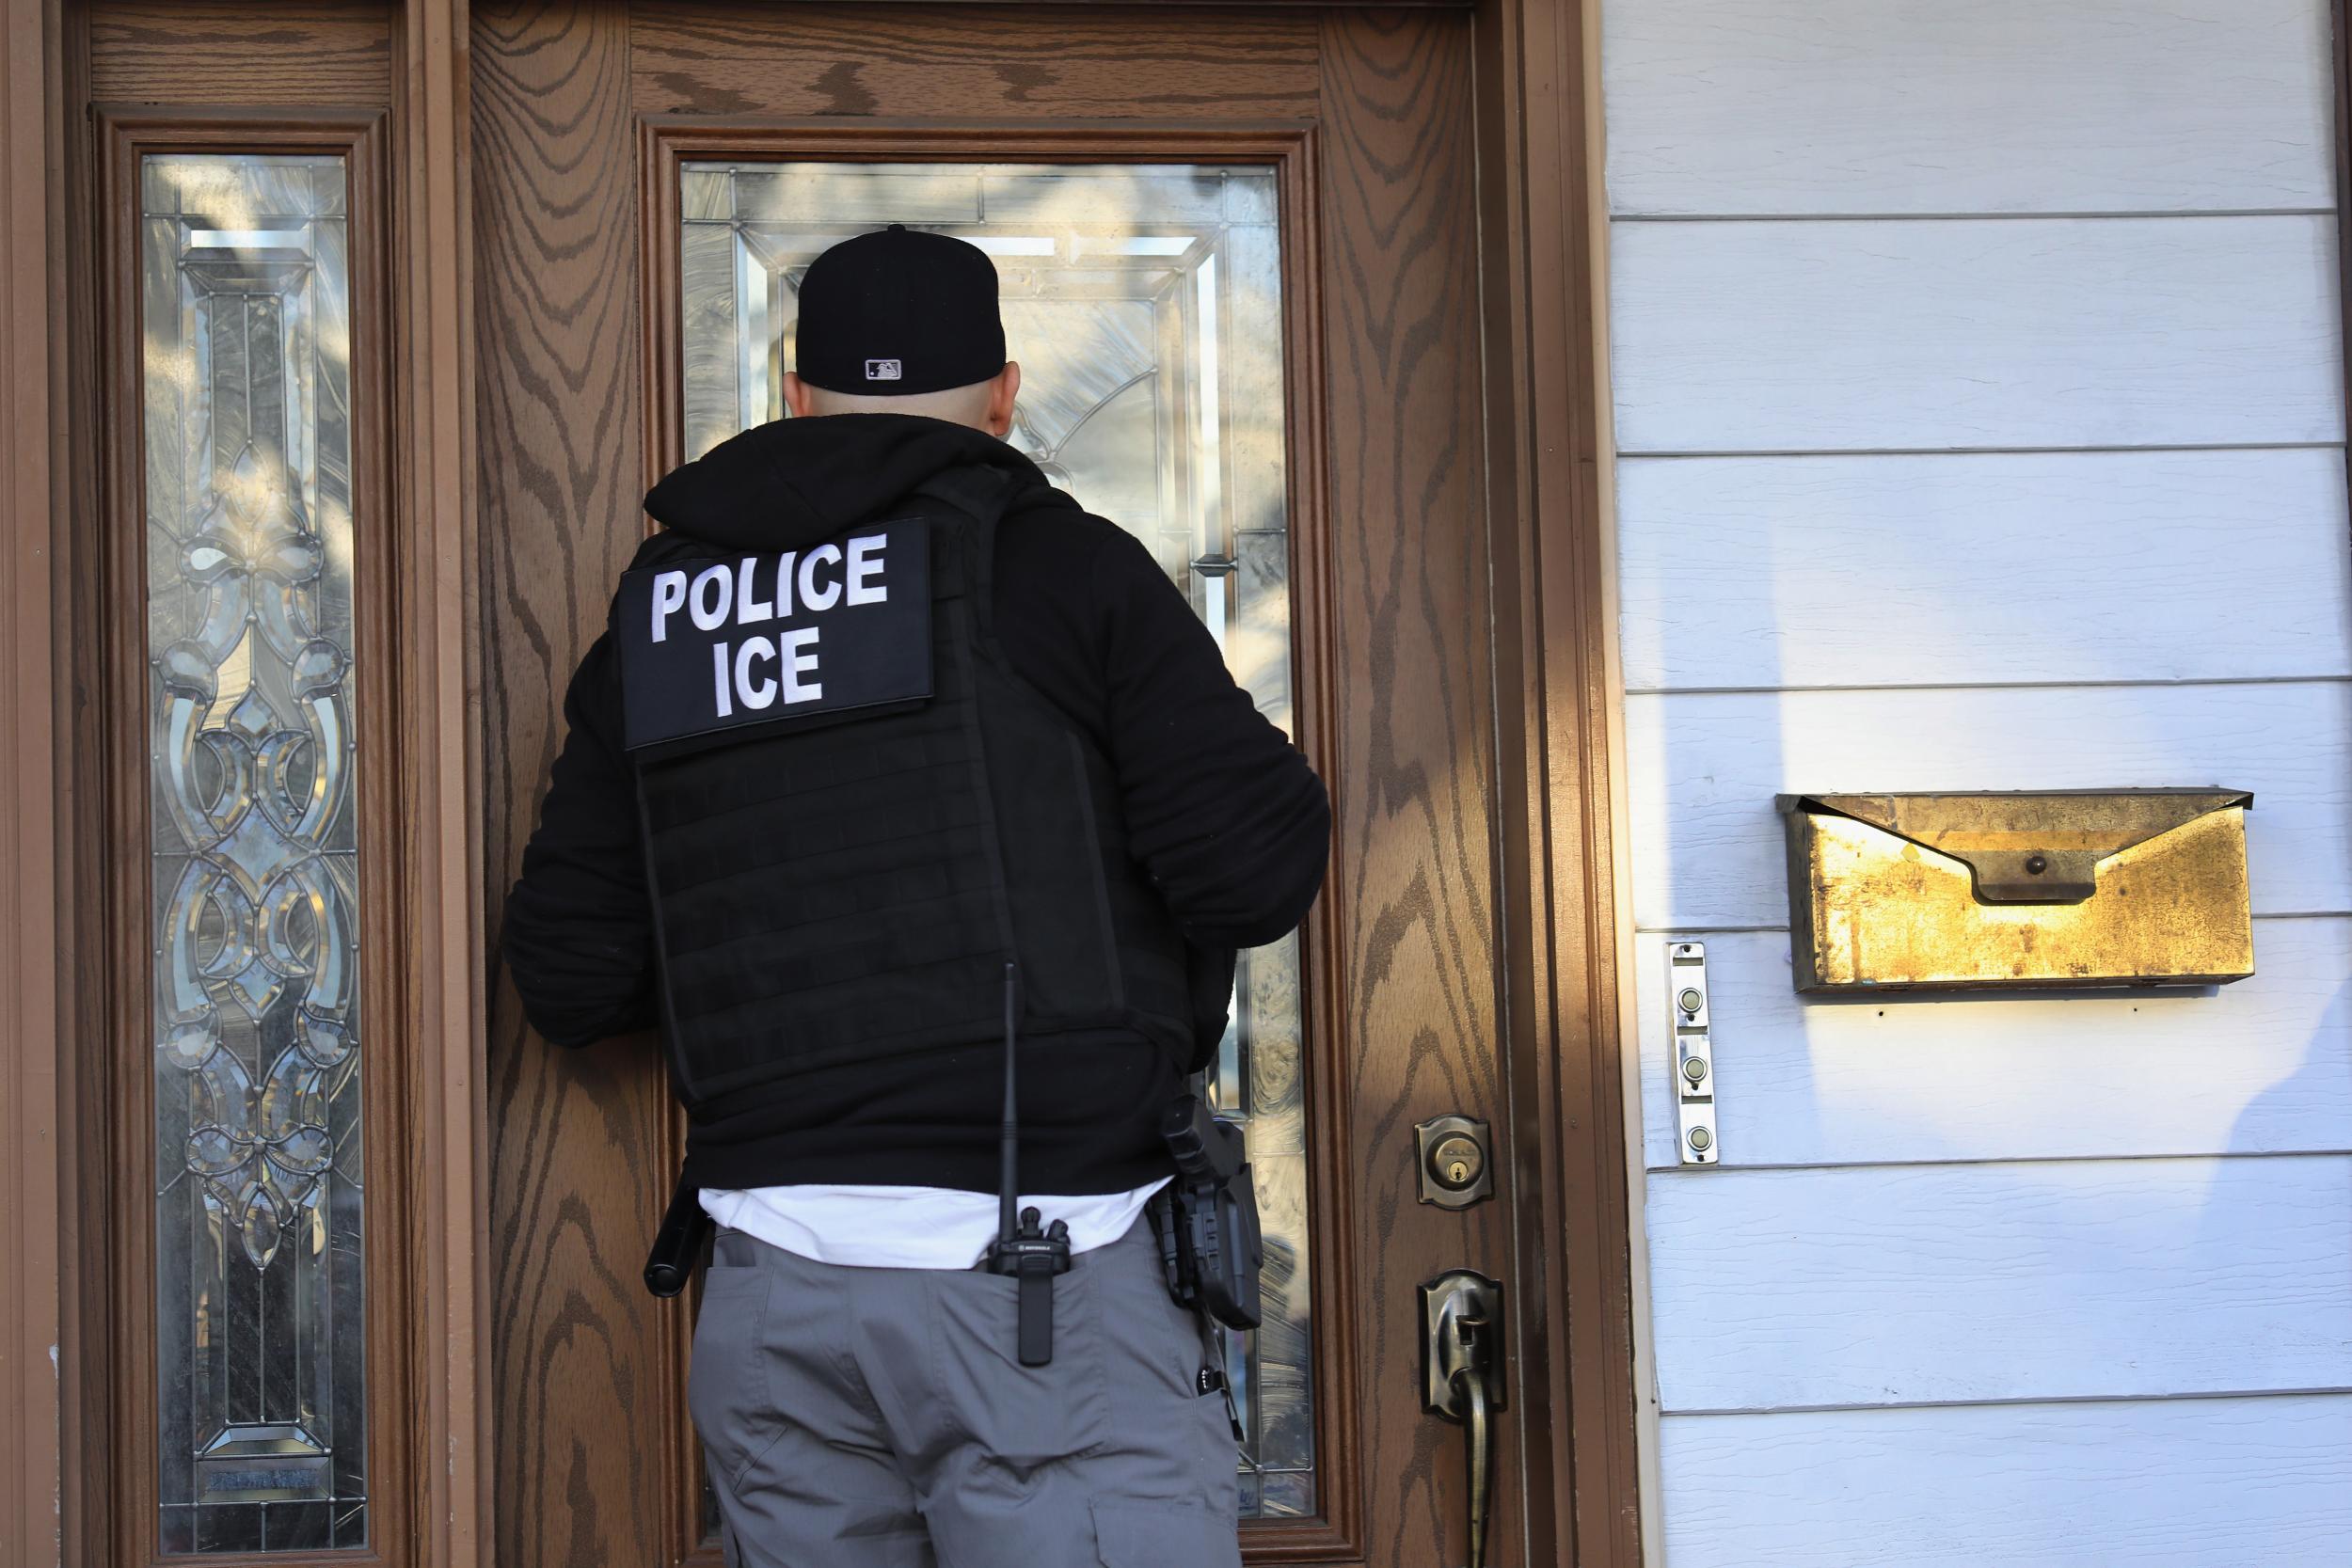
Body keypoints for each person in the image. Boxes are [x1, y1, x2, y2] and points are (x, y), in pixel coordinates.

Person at [501, 223, 1330, 1568]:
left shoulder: (663, 616)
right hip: (1038, 1290)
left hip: (774, 1310)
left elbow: (572, 979)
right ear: (1004, 399)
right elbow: (1251, 870)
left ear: (794, 394)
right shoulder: (1060, 567)